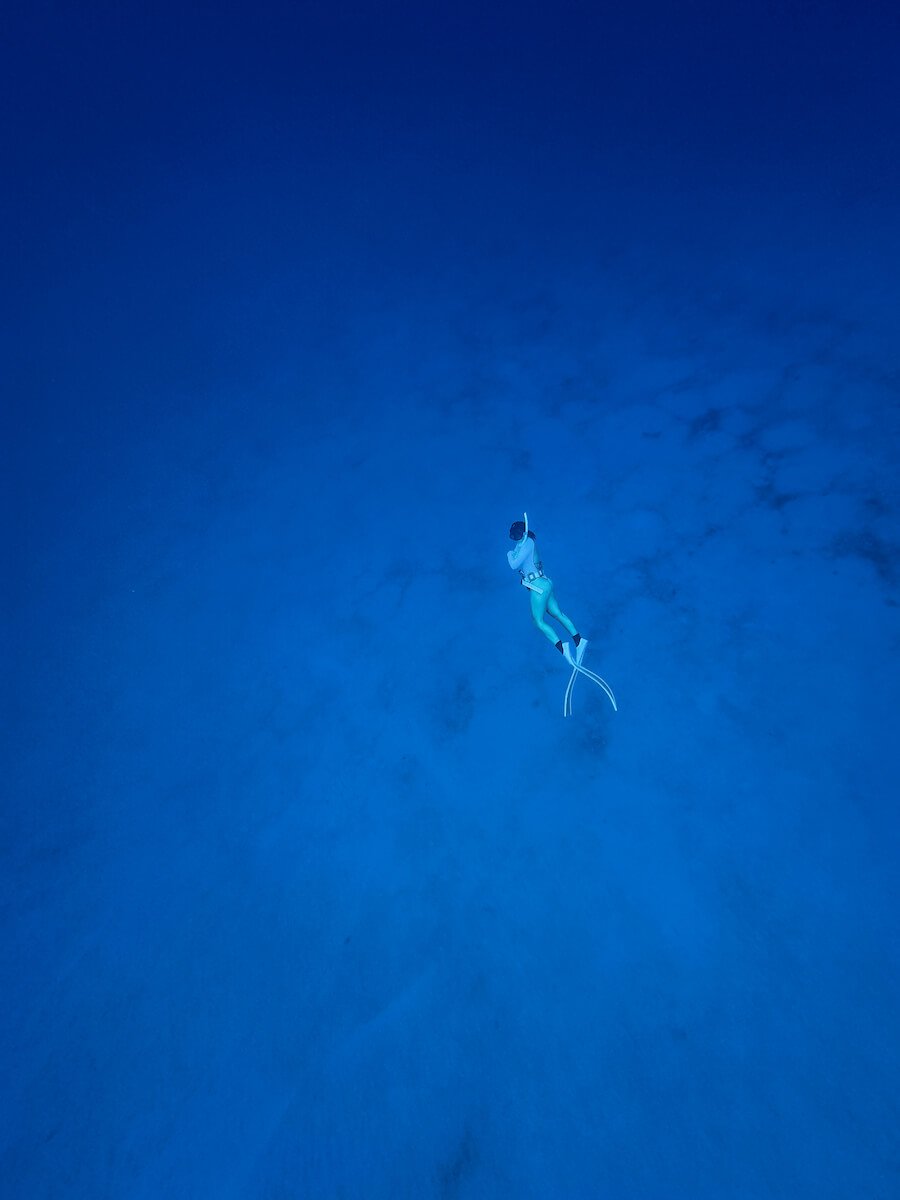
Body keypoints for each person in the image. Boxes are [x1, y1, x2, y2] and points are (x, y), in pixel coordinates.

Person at [506, 519, 587, 662]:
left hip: (538, 587)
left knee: (538, 621)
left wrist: (509, 554)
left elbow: (513, 565)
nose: (517, 537)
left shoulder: (527, 543)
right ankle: (579, 641)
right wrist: (515, 550)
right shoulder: (523, 544)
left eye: (518, 534)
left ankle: (563, 649)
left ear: (523, 533)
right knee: (556, 613)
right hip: (544, 582)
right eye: (514, 535)